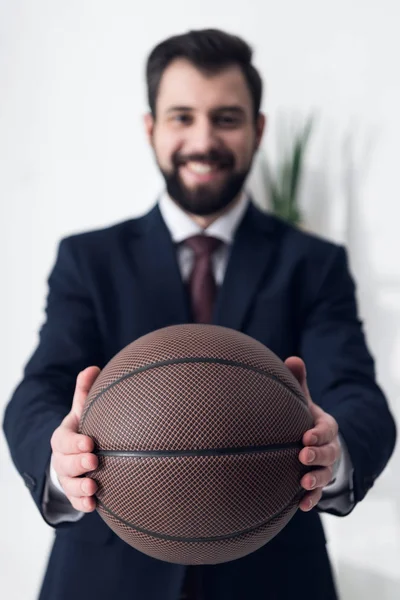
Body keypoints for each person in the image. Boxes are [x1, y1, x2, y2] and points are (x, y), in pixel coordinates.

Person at [3, 28, 396, 600]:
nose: (203, 139)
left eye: (227, 118)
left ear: (258, 129)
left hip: (275, 579)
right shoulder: (89, 260)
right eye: (182, 117)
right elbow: (36, 391)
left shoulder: (313, 264)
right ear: (152, 129)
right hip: (104, 579)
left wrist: (333, 454)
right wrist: (59, 457)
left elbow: (360, 398)